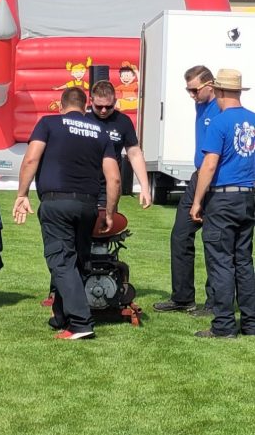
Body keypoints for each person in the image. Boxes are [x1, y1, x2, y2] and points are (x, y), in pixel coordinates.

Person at [13, 87, 120, 340]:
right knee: (78, 261)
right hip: (88, 205)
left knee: (61, 261)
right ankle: (61, 315)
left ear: (61, 106)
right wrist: (110, 212)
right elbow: (114, 178)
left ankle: (81, 324)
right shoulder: (100, 131)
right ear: (85, 107)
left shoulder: (48, 123)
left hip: (56, 202)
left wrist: (22, 194)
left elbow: (31, 159)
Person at [189, 68, 255, 338]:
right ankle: (251, 324)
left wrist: (196, 201)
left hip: (223, 197)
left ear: (218, 91)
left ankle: (224, 325)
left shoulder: (219, 123)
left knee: (220, 262)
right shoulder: (252, 120)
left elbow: (209, 164)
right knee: (244, 261)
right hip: (248, 195)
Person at [154, 65, 220, 316]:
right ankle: (182, 298)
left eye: (194, 90)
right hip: (197, 176)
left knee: (214, 241)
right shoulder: (200, 104)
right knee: (180, 235)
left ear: (210, 85)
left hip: (215, 180)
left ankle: (215, 303)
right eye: (188, 90)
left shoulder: (221, 108)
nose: (191, 96)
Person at [86, 80, 152, 209]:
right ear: (91, 100)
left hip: (109, 187)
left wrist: (144, 186)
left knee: (105, 225)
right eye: (99, 106)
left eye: (109, 106)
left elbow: (134, 154)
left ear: (115, 101)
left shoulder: (123, 121)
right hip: (82, 185)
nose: (103, 110)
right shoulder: (82, 118)